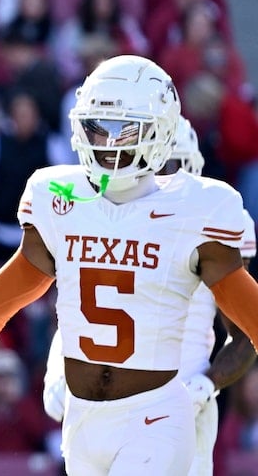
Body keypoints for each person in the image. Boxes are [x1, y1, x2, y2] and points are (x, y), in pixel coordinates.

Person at [0, 55, 258, 474]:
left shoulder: (196, 206)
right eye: (97, 127)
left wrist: (209, 381)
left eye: (124, 129)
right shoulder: (59, 195)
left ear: (161, 132)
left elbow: (251, 321)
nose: (107, 144)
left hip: (156, 415)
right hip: (83, 420)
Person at [40, 116, 257, 475]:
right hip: (104, 408)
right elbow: (81, 309)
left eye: (169, 167)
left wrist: (207, 382)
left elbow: (247, 329)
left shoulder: (212, 220)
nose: (159, 178)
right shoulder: (101, 213)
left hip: (179, 402)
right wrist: (57, 368)